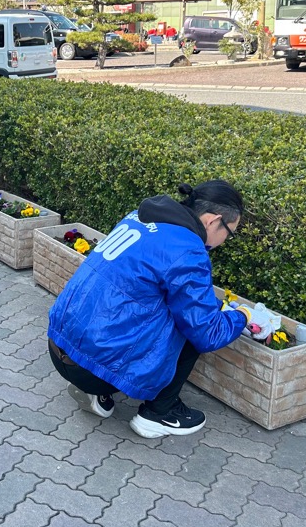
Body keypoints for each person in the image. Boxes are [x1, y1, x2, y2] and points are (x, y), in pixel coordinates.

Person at [47, 180, 274, 439]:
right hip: (93, 368)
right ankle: (159, 413)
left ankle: (95, 390)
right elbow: (207, 332)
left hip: (59, 346)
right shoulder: (188, 249)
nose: (225, 241)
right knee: (192, 325)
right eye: (229, 233)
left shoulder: (138, 218)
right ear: (213, 220)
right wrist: (244, 315)